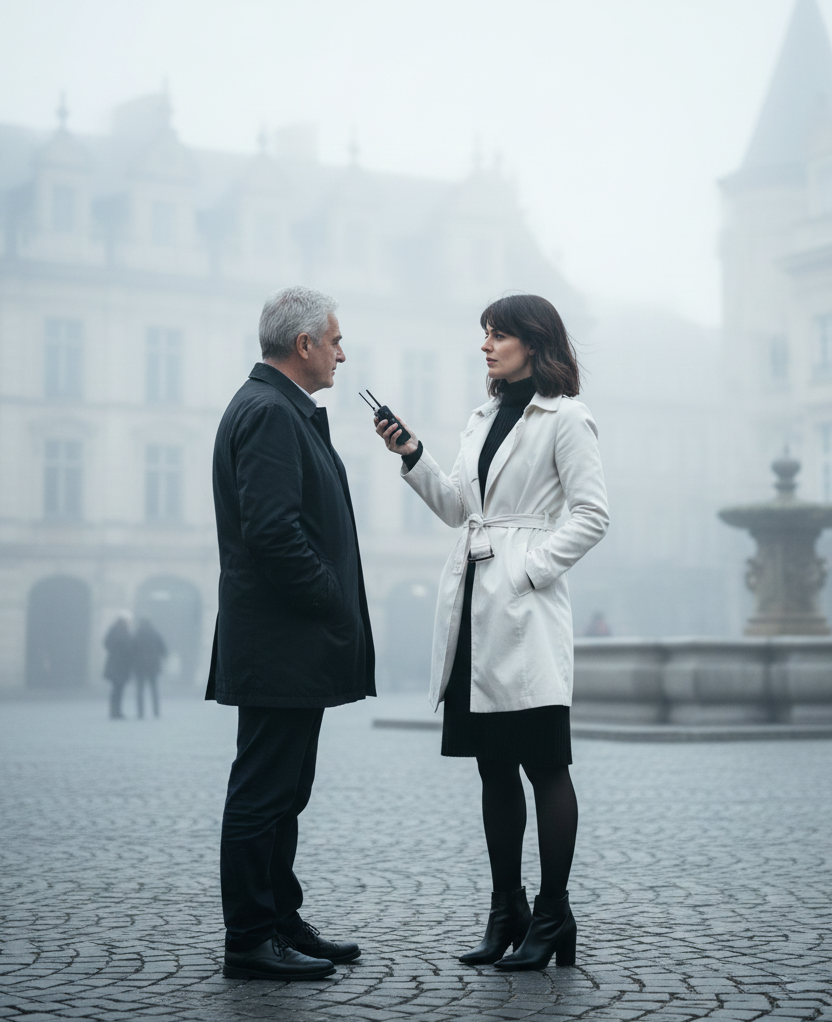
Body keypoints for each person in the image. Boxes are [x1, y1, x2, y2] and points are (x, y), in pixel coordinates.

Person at [375, 294, 609, 971]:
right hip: (475, 603)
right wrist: (412, 453)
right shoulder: (483, 417)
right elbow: (459, 508)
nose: (486, 345)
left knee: (545, 765)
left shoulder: (567, 417)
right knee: (492, 766)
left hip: (524, 610)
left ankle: (553, 912)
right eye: (485, 334)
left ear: (533, 342)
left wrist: (529, 570)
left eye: (498, 335)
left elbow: (592, 515)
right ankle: (507, 909)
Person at [207, 285, 376, 982]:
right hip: (282, 640)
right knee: (263, 792)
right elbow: (273, 532)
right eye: (334, 341)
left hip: (286, 641)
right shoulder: (271, 413)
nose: (341, 353)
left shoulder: (278, 407)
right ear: (303, 345)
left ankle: (279, 918)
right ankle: (250, 937)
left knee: (284, 790)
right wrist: (331, 597)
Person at [132, 618, 167, 718]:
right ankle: (156, 711)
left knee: (140, 690)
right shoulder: (155, 634)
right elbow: (164, 650)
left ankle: (140, 712)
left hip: (140, 666)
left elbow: (131, 650)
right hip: (153, 666)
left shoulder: (137, 634)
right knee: (154, 690)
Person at [103, 612, 134, 720]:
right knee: (117, 689)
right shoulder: (120, 631)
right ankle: (115, 711)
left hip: (119, 665)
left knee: (118, 689)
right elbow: (109, 643)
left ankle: (116, 711)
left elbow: (107, 643)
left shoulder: (116, 630)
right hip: (119, 665)